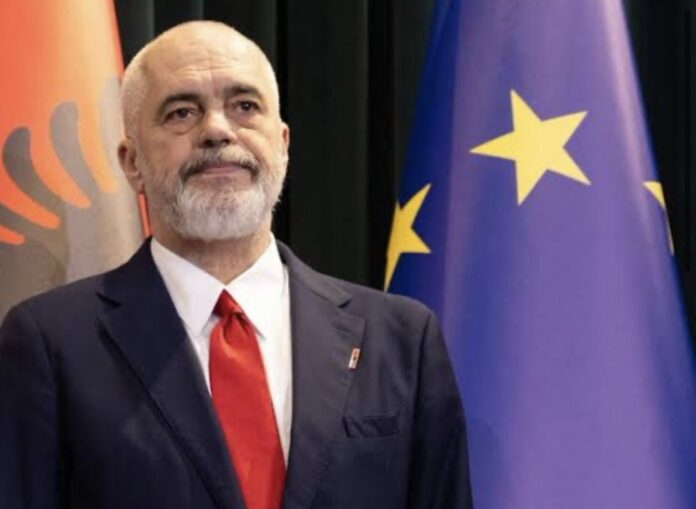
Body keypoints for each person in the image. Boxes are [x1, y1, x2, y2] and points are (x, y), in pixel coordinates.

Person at [0, 21, 472, 509]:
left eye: (244, 107)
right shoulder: (51, 344)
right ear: (132, 161)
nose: (217, 130)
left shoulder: (401, 340)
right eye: (182, 112)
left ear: (282, 144)